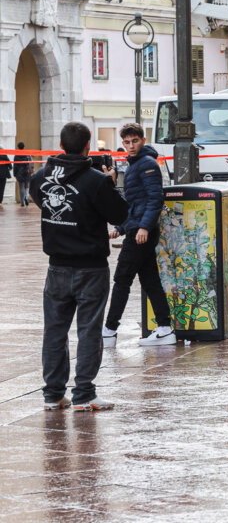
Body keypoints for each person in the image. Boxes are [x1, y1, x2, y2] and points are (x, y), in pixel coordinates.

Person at [30, 122, 128, 411]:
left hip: (57, 266)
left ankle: (53, 394)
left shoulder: (41, 175)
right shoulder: (95, 180)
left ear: (61, 145)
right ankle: (84, 394)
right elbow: (120, 213)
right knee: (88, 330)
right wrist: (110, 183)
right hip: (91, 267)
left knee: (54, 331)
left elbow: (41, 200)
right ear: (88, 146)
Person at [101, 124, 174, 348]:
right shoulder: (135, 164)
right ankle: (164, 329)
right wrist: (121, 228)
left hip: (143, 233)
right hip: (138, 230)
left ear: (143, 140)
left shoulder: (147, 164)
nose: (131, 146)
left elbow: (155, 199)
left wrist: (143, 228)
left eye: (134, 141)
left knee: (122, 278)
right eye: (127, 142)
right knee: (149, 280)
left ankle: (109, 330)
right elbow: (136, 204)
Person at [14, 142, 33, 207]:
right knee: (27, 186)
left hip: (19, 173)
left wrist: (15, 174)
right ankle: (26, 197)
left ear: (18, 147)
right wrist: (31, 171)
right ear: (24, 147)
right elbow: (31, 163)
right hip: (27, 172)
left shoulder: (16, 155)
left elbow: (15, 165)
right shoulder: (28, 154)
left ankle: (22, 202)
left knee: (21, 187)